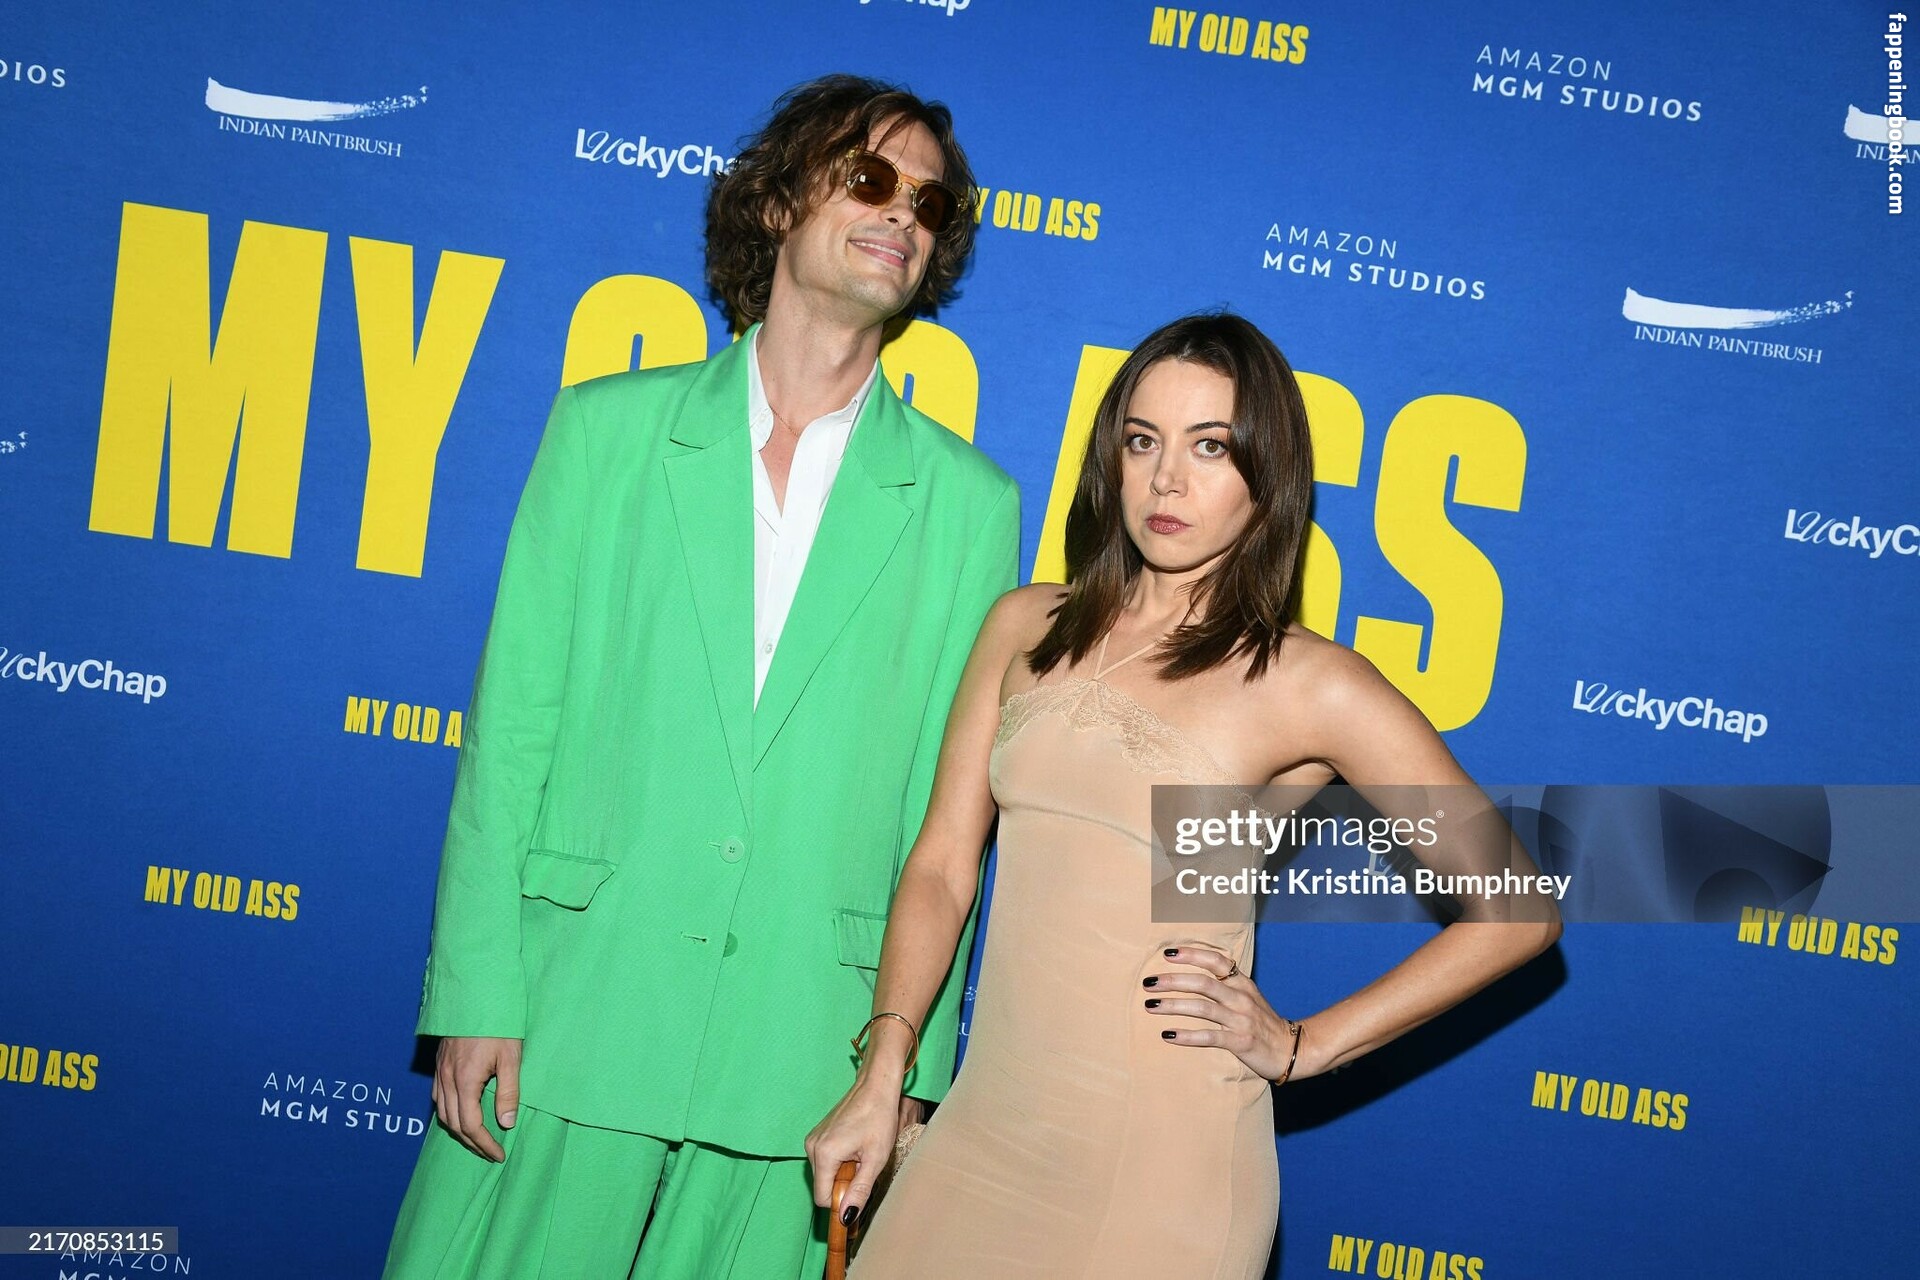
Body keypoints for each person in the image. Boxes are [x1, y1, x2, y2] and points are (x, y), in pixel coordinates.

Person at [383, 74, 1018, 1280]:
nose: (903, 212)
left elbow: (944, 826)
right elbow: (511, 733)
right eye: (869, 178)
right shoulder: (605, 432)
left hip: (805, 1050)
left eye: (929, 202)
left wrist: (907, 1071)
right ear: (777, 202)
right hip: (574, 1006)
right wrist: (476, 987)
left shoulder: (968, 506)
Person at [805, 312, 1561, 1277]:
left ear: (1267, 476)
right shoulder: (1023, 627)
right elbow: (944, 869)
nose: (1167, 479)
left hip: (1161, 1172)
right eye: (1142, 441)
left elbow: (1517, 910)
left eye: (1211, 446)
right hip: (981, 1133)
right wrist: (883, 1074)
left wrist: (1305, 1046)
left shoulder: (1308, 683)